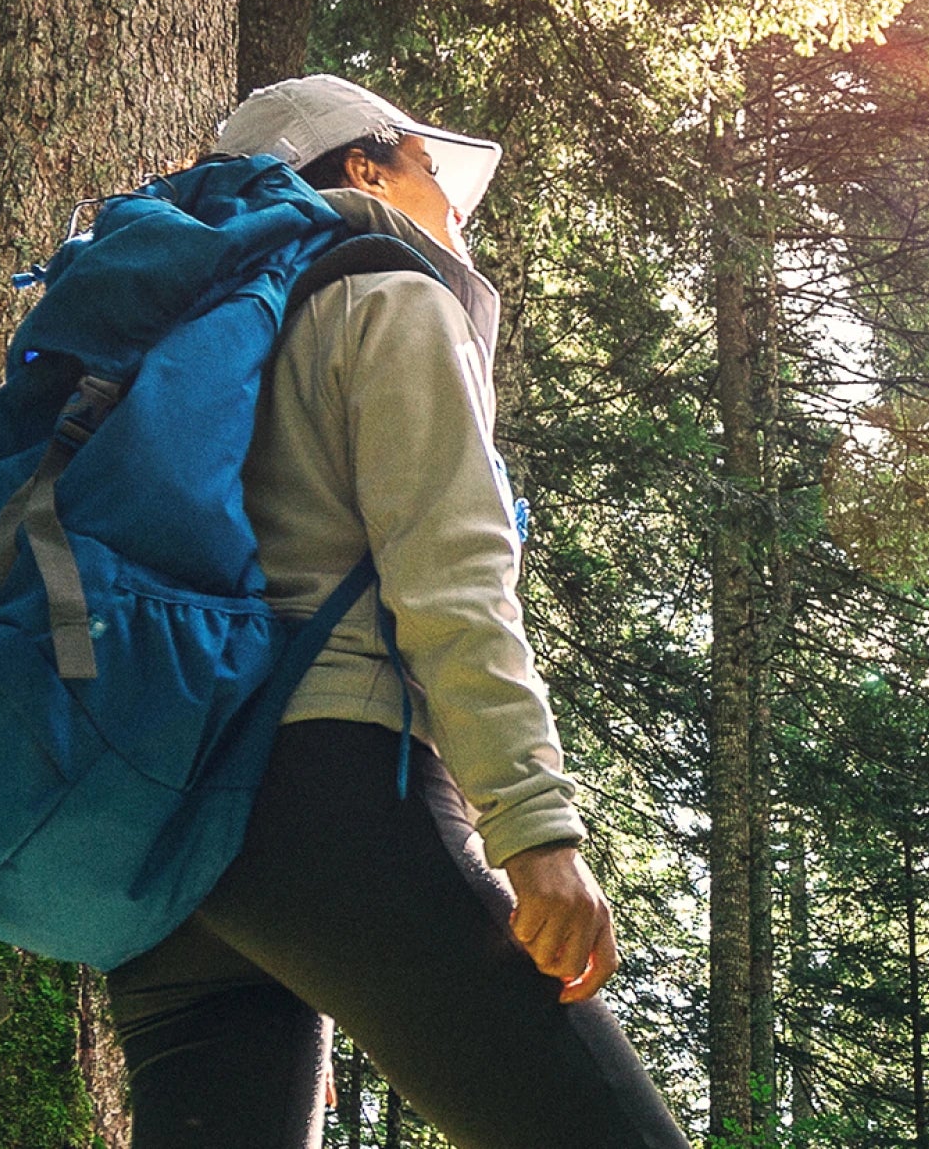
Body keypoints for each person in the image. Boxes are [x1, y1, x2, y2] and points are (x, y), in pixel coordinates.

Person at [106, 75, 692, 1149]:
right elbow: (454, 574)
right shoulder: (390, 290)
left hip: (165, 846)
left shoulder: (186, 327)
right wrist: (533, 825)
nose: (457, 202)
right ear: (364, 169)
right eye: (431, 163)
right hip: (330, 798)